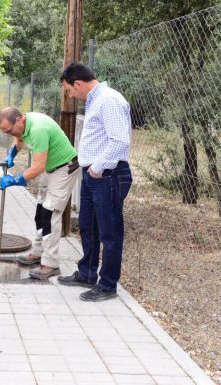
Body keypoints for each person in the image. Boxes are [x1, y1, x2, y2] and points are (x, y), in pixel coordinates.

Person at [57, 63, 132, 302]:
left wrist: (98, 168)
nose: (71, 95)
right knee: (89, 227)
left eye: (69, 90)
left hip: (107, 175)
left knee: (109, 233)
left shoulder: (108, 100)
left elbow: (119, 141)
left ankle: (108, 284)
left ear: (77, 83)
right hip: (93, 175)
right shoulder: (95, 100)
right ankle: (87, 273)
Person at [0, 107, 80, 280]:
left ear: (19, 119)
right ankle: (38, 251)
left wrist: (14, 180)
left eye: (10, 130)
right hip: (51, 167)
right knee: (40, 210)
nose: (9, 134)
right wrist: (11, 154)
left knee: (50, 213)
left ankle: (50, 263)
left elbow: (37, 167)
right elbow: (19, 141)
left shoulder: (38, 129)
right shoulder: (23, 126)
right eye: (5, 132)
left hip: (64, 168)